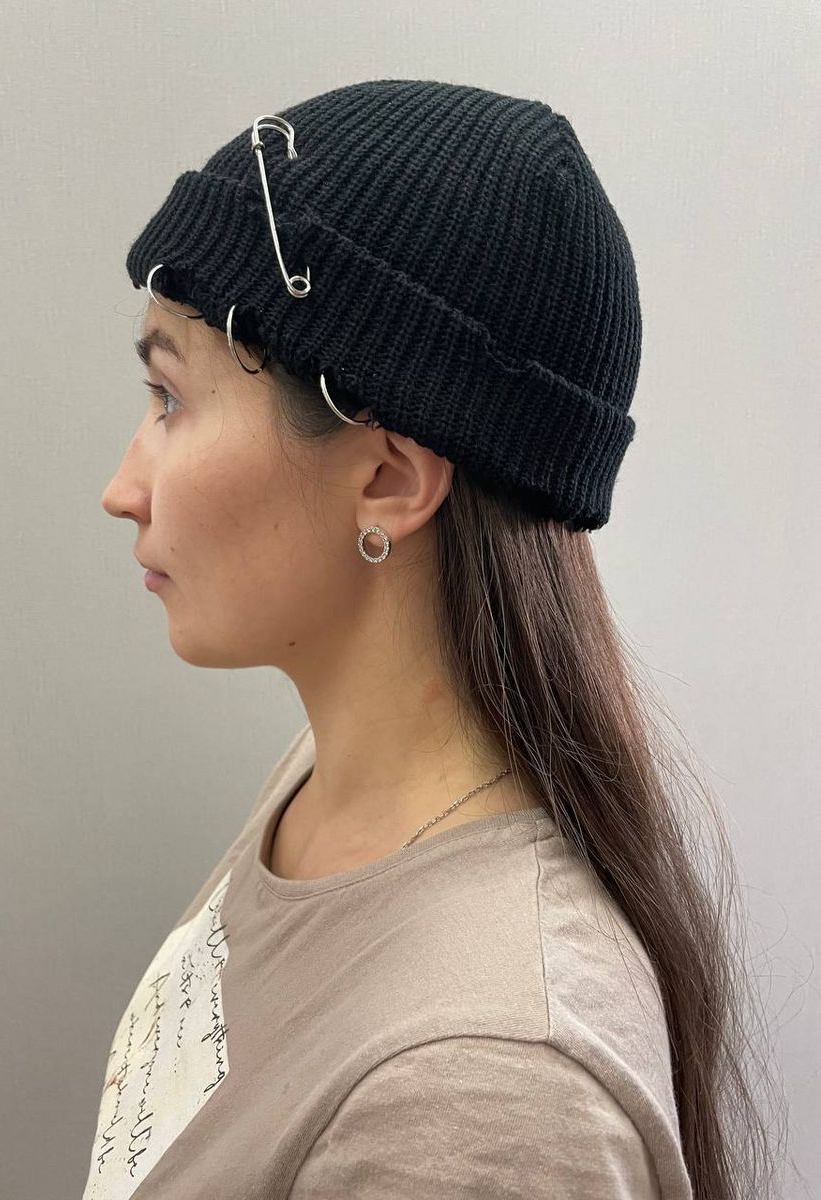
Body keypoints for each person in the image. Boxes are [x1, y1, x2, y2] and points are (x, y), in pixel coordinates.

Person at [90, 79, 778, 1199]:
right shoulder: (334, 787)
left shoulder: (485, 1093)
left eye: (171, 398)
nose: (123, 488)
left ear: (390, 480)